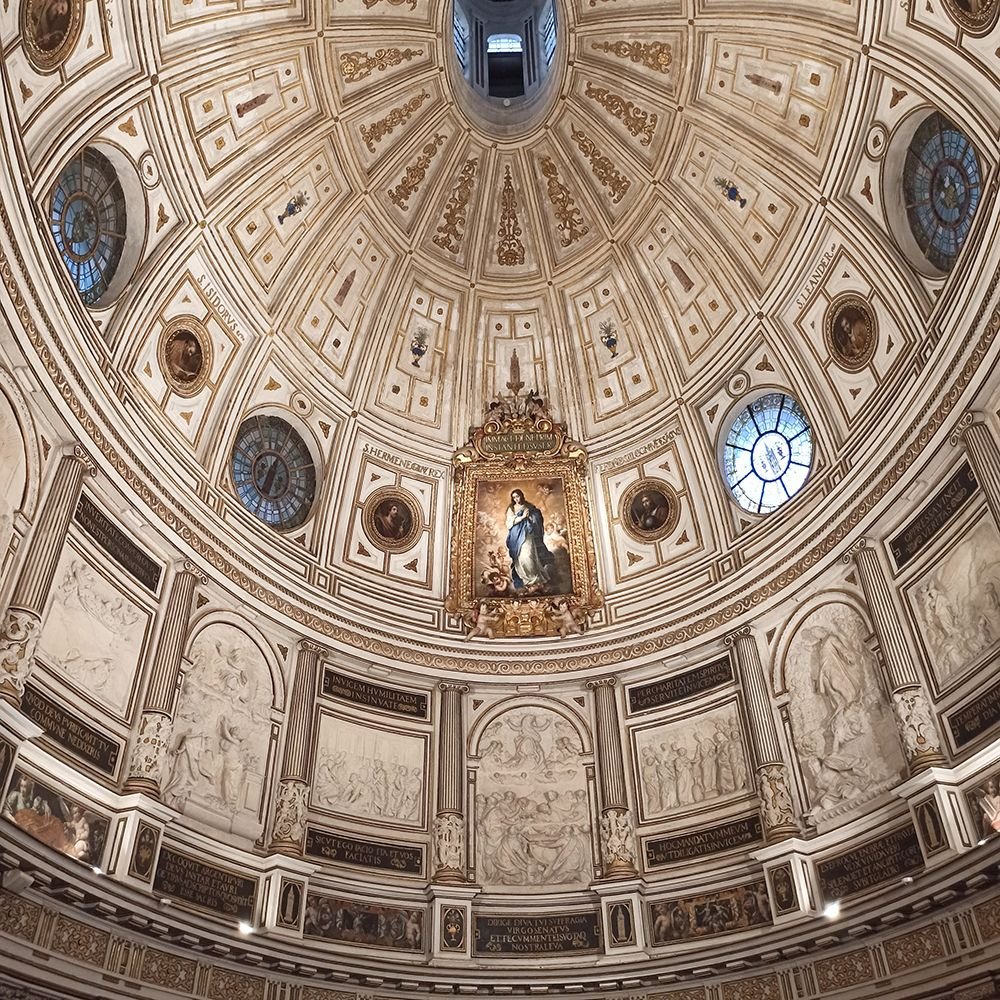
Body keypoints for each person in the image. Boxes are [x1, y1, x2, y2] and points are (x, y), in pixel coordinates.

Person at [505, 489, 554, 591]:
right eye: (514, 497)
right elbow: (509, 523)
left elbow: (537, 517)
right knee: (520, 557)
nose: (516, 499)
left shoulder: (529, 506)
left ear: (521, 496)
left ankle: (534, 578)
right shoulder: (511, 508)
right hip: (516, 535)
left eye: (517, 496)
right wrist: (522, 517)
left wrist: (531, 518)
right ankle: (526, 580)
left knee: (529, 555)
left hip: (528, 534)